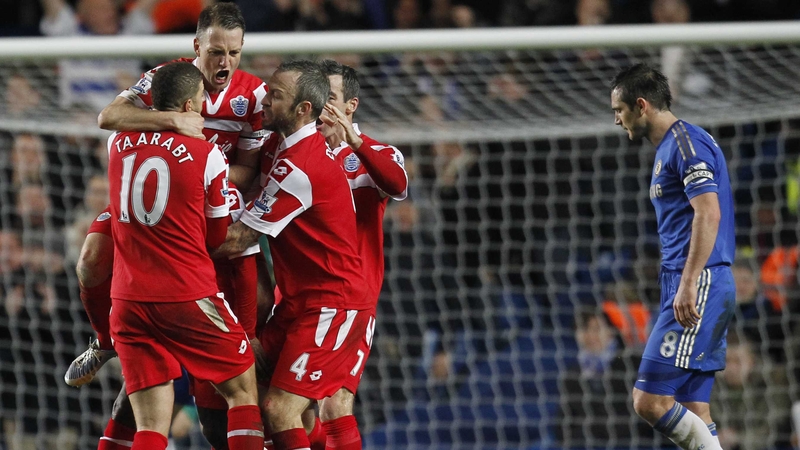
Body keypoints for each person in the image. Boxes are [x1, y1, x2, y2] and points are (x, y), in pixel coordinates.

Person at [212, 59, 369, 450]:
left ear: (303, 109)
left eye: (275, 95)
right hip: (299, 304)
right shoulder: (281, 149)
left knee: (280, 408)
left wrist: (169, 241)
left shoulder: (300, 168)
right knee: (251, 383)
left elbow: (237, 240)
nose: (264, 100)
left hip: (333, 305)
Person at [106, 61, 262, 450]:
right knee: (243, 389)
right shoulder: (207, 154)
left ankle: (98, 339)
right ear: (191, 106)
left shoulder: (117, 144)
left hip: (127, 300)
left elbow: (112, 118)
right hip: (186, 294)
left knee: (150, 425)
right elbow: (217, 235)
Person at [610, 63, 735, 450]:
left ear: (641, 106)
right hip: (693, 281)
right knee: (694, 408)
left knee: (648, 401)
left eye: (619, 110)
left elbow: (708, 213)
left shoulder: (686, 144)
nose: (617, 120)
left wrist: (688, 282)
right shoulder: (671, 146)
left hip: (699, 281)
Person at [301, 59, 407, 448]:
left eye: (330, 97)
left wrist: (355, 142)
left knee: (334, 404)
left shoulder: (375, 153)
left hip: (349, 301)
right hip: (296, 294)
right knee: (288, 407)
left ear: (351, 106)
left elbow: (397, 185)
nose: (321, 105)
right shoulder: (299, 154)